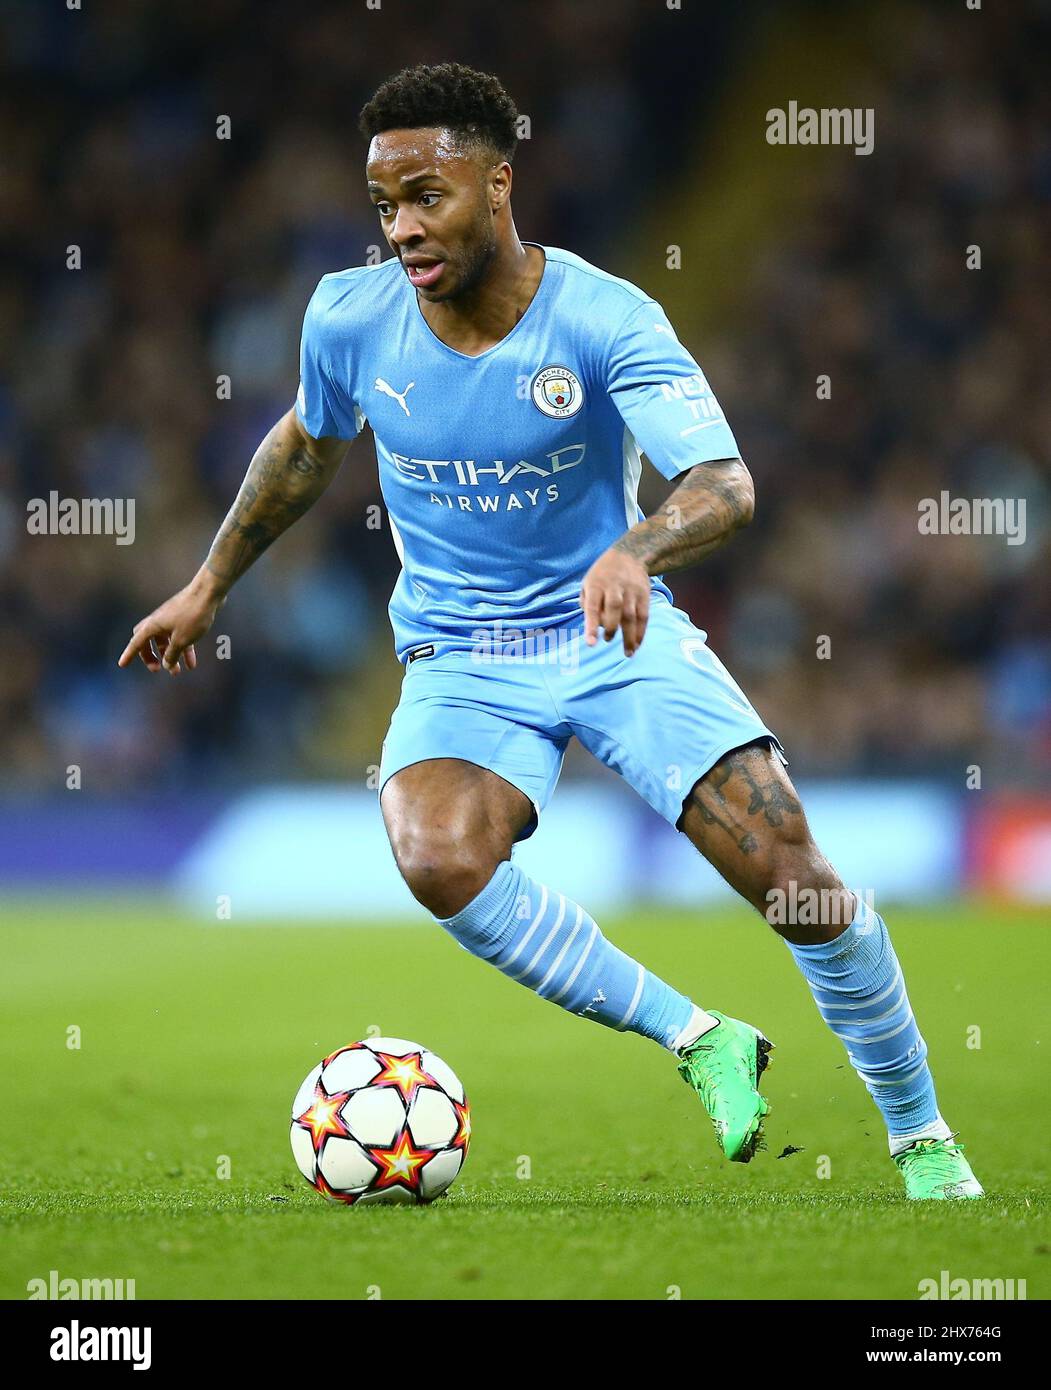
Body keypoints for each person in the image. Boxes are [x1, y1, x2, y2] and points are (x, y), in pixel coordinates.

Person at [119, 61, 982, 1200]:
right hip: (462, 654)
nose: (403, 229)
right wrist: (208, 583)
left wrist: (633, 550)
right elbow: (305, 443)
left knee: (795, 877)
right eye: (384, 206)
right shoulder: (348, 317)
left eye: (427, 195)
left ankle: (921, 1137)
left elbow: (722, 483)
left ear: (497, 183)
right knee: (434, 854)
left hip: (611, 633)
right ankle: (698, 1036)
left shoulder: (605, 317)